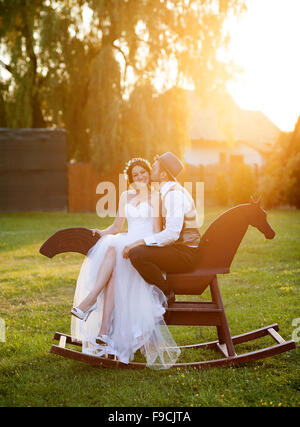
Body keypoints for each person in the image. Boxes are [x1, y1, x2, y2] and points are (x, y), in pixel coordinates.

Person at [70, 158, 180, 369]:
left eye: (143, 173)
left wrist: (142, 244)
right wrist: (100, 233)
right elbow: (116, 226)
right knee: (112, 248)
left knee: (115, 255)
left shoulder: (157, 196)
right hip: (127, 240)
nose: (140, 177)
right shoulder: (126, 196)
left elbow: (157, 230)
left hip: (143, 247)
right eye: (135, 175)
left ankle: (92, 304)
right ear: (130, 179)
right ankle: (101, 330)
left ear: (149, 173)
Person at [127, 152, 201, 302]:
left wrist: (140, 242)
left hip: (186, 254)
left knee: (137, 254)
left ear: (162, 175)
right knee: (139, 251)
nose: (150, 169)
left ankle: (166, 293)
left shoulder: (174, 195)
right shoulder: (166, 193)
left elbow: (172, 234)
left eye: (154, 167)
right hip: (178, 249)